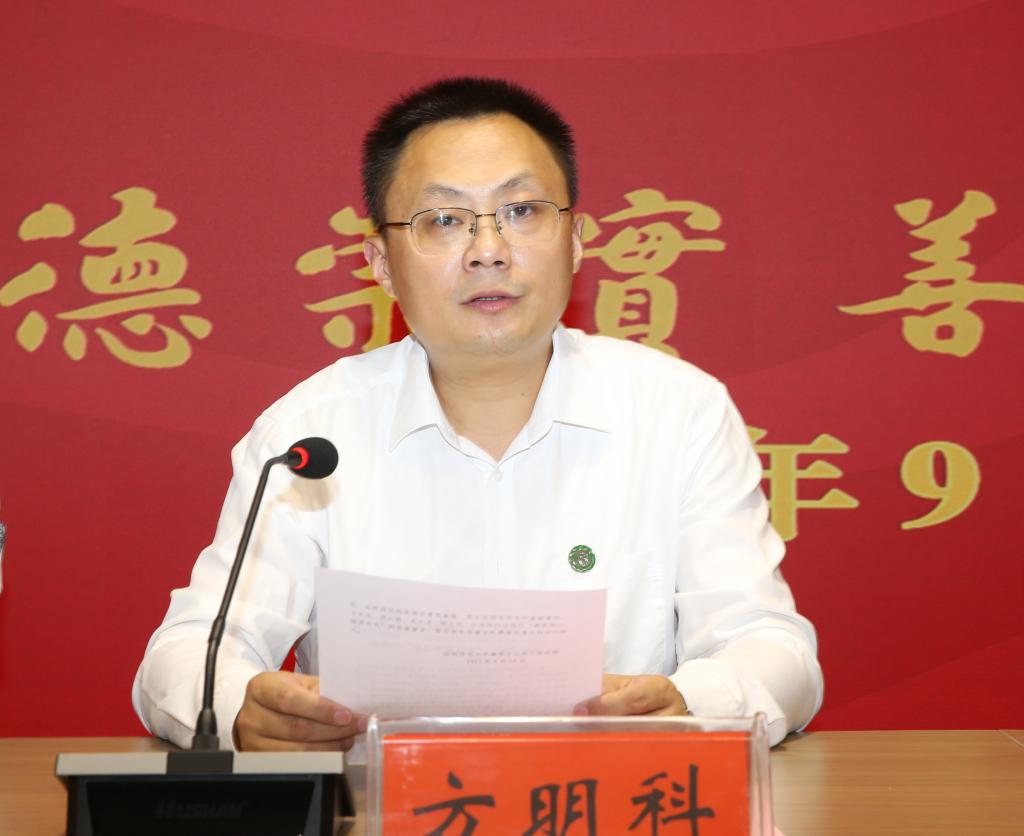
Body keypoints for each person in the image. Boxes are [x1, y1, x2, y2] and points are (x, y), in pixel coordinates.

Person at [133, 77, 823, 752]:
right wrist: (240, 711)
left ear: (576, 239)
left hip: (608, 801)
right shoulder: (311, 433)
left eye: (521, 211)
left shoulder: (678, 411)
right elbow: (187, 653)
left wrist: (689, 704)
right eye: (443, 221)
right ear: (380, 262)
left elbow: (771, 647)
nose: (488, 251)